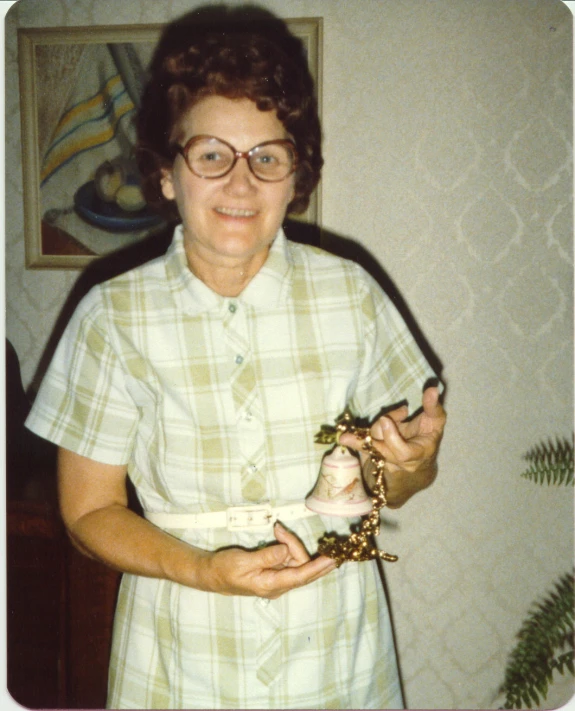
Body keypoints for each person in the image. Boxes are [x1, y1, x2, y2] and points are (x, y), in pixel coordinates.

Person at [26, 9, 446, 709]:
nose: (241, 183)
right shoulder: (113, 314)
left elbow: (395, 480)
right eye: (211, 155)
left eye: (267, 157)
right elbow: (87, 512)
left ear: (294, 176)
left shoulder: (352, 294)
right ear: (165, 174)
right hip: (179, 639)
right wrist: (207, 570)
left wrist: (412, 463)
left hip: (331, 635)